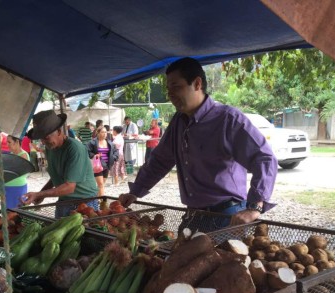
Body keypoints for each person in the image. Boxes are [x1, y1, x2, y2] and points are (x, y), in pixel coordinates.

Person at [119, 57, 278, 230]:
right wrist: (136, 191)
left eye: (176, 87)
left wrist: (255, 207)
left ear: (197, 84)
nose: (170, 94)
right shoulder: (178, 122)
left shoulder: (227, 119)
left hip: (227, 215)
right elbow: (160, 160)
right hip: (193, 215)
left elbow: (264, 158)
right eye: (168, 88)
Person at [21, 110, 98, 217]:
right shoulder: (50, 148)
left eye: (46, 137)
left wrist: (39, 194)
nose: (43, 142)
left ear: (58, 131)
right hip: (64, 201)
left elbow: (69, 187)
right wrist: (41, 194)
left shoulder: (74, 148)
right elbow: (56, 176)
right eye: (41, 139)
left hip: (84, 203)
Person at [87, 126, 118, 196]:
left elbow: (116, 151)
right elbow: (87, 151)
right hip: (98, 165)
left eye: (106, 132)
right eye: (102, 132)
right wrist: (94, 155)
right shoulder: (92, 142)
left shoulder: (109, 142)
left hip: (107, 165)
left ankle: (96, 198)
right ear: (98, 133)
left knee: (101, 185)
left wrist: (114, 158)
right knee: (100, 184)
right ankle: (102, 202)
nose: (105, 134)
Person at [4, 134, 30, 208]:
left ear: (17, 142)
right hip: (7, 188)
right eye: (7, 142)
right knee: (8, 212)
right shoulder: (11, 154)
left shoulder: (23, 155)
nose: (7, 144)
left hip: (17, 187)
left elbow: (19, 173)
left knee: (17, 212)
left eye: (9, 142)